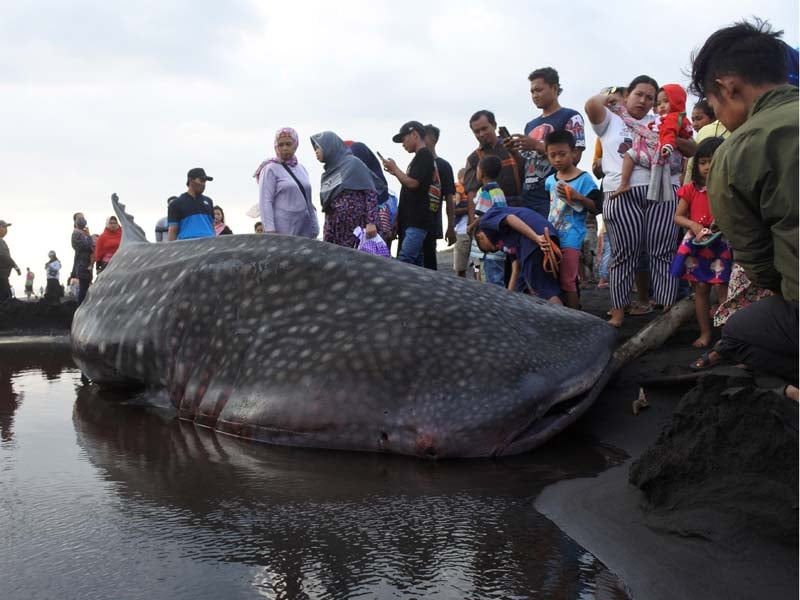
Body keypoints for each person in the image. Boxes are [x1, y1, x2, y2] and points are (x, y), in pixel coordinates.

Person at [687, 19, 798, 396]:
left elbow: (761, 267)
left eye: (712, 103)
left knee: (737, 332)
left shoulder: (736, 152)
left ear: (727, 87)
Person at [585, 75, 696, 327]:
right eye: (639, 94)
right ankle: (617, 311)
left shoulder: (662, 121)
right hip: (620, 192)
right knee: (624, 254)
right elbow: (591, 105)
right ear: (627, 95)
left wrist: (667, 139)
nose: (644, 101)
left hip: (663, 190)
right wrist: (609, 98)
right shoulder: (610, 120)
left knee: (663, 251)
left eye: (650, 97)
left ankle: (668, 310)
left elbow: (693, 149)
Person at [670, 137, 731, 348]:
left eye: (712, 161)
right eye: (703, 162)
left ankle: (727, 336)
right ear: (696, 165)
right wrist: (694, 226)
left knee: (723, 290)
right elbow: (678, 216)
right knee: (701, 288)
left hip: (721, 244)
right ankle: (705, 333)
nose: (707, 167)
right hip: (697, 245)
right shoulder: (691, 189)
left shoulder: (728, 187)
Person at [505, 67, 586, 218]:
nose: (535, 95)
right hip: (529, 196)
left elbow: (575, 158)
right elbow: (527, 165)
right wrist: (514, 151)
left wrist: (536, 145)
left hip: (555, 196)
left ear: (554, 88)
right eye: (532, 92)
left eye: (539, 90)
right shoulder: (530, 125)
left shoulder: (571, 117)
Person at [543, 130, 602, 309]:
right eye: (552, 155)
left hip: (572, 235)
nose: (557, 159)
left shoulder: (584, 179)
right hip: (552, 235)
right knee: (554, 275)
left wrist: (578, 197)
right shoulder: (549, 181)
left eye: (562, 154)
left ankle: (575, 314)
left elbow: (596, 207)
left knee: (568, 279)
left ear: (574, 153)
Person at [610, 84, 694, 202]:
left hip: (664, 154)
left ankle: (624, 183)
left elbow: (669, 132)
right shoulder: (679, 118)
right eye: (659, 103)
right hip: (671, 161)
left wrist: (668, 145)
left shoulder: (672, 118)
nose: (662, 106)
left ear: (677, 101)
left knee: (630, 154)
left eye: (666, 101)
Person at [474, 206, 562, 304]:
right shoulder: (504, 239)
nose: (495, 248)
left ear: (480, 236)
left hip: (535, 241)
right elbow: (516, 268)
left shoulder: (485, 222)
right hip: (545, 237)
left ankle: (560, 318)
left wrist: (536, 238)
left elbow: (510, 218)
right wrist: (507, 298)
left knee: (545, 292)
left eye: (490, 249)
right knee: (528, 286)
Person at [310, 131, 379, 248]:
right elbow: (328, 208)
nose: (316, 151)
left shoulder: (353, 163)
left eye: (318, 147)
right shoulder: (327, 174)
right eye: (315, 148)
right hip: (336, 229)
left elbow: (370, 193)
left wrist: (371, 222)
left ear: (329, 146)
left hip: (357, 229)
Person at [381, 121, 436, 266]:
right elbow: (408, 189)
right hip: (411, 220)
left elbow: (413, 183)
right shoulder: (418, 157)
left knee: (404, 261)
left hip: (417, 221)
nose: (403, 144)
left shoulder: (424, 155)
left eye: (404, 139)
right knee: (415, 264)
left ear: (415, 135)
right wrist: (397, 219)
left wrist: (395, 169)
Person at [254, 127, 319, 238]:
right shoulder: (270, 168)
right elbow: (265, 201)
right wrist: (270, 231)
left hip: (304, 227)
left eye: (288, 144)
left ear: (295, 144)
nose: (284, 148)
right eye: (281, 145)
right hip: (282, 228)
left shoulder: (301, 169)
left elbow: (308, 201)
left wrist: (314, 225)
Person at [463, 110, 524, 214]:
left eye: (484, 129)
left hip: (521, 207)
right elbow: (471, 194)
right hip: (492, 213)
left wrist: (515, 153)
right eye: (477, 131)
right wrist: (474, 222)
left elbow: (527, 171)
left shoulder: (512, 146)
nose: (481, 134)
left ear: (494, 125)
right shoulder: (473, 159)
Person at [421, 124, 457, 269]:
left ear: (434, 139)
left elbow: (449, 198)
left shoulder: (443, 166)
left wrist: (451, 226)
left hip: (432, 221)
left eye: (424, 136)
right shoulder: (416, 164)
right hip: (411, 222)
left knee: (429, 262)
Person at [470, 155, 508, 286]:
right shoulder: (499, 191)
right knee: (498, 280)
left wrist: (470, 227)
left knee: (487, 283)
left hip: (486, 249)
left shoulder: (486, 190)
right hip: (498, 245)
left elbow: (482, 216)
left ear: (482, 172)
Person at [168, 168, 215, 241]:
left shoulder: (209, 201)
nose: (203, 184)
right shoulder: (176, 204)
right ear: (190, 180)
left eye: (205, 181)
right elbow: (173, 230)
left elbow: (212, 226)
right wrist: (170, 250)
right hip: (187, 246)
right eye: (201, 180)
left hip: (209, 243)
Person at [71, 215, 95, 305]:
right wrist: (89, 236)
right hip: (82, 265)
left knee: (86, 287)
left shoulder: (82, 234)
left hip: (87, 264)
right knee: (83, 289)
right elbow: (88, 246)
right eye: (80, 218)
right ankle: (80, 308)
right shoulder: (76, 234)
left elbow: (92, 246)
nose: (82, 220)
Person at [452, 168, 471, 277]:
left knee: (476, 267)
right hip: (462, 231)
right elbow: (454, 206)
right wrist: (469, 208)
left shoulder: (470, 189)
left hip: (471, 232)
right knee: (460, 267)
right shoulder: (458, 188)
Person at [0, 220, 21, 301]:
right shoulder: (0, 242)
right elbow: (4, 256)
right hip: (1, 276)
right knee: (6, 300)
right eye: (4, 227)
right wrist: (16, 267)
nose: (6, 230)